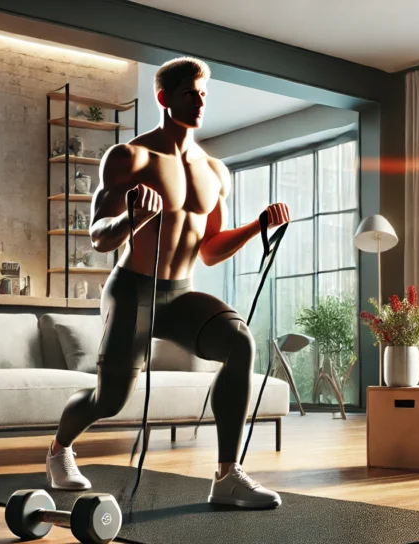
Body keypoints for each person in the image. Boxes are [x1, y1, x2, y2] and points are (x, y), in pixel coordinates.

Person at [45, 56, 290, 509]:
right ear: (164, 98)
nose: (199, 102)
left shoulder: (215, 171)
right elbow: (97, 238)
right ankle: (60, 450)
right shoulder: (129, 157)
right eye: (188, 94)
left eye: (203, 94)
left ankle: (226, 476)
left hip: (179, 294)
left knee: (240, 343)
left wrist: (257, 226)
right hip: (132, 289)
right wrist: (133, 220)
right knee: (110, 399)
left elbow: (211, 249)